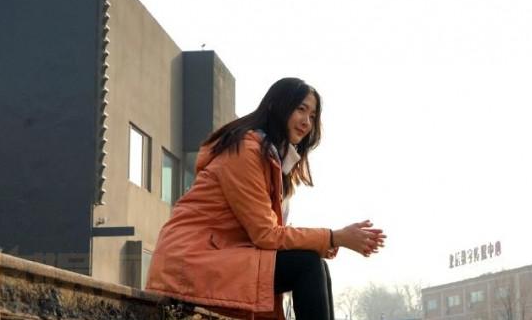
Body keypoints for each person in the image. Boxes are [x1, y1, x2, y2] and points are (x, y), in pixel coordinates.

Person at [146, 77, 386, 320]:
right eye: (301, 109)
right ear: (276, 106)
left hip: (217, 256)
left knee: (316, 265)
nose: (307, 122)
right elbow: (266, 234)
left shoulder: (274, 159)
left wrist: (331, 240)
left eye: (313, 116)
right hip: (190, 261)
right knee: (307, 265)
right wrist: (334, 237)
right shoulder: (244, 152)